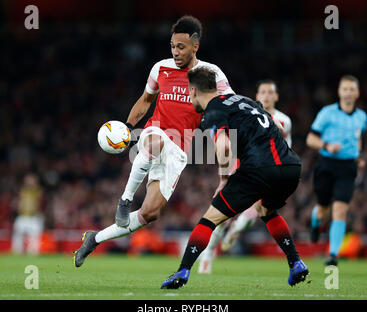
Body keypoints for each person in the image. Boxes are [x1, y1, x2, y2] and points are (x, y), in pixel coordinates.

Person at [73, 16, 234, 267]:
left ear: (195, 47)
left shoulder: (211, 73)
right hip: (155, 132)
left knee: (150, 213)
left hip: (181, 148)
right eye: (172, 46)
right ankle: (125, 200)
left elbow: (231, 103)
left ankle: (95, 239)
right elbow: (146, 100)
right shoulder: (161, 68)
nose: (175, 52)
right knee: (155, 141)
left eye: (181, 47)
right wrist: (128, 127)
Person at [161, 67, 309, 289]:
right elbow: (277, 125)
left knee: (210, 219)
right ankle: (296, 262)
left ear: (193, 91)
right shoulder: (245, 100)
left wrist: (224, 178)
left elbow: (224, 146)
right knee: (265, 210)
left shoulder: (213, 111)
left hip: (259, 169)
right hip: (291, 167)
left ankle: (183, 271)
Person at [198, 79, 293, 274]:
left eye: (270, 92)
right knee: (223, 216)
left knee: (259, 210)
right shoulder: (245, 111)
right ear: (257, 96)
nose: (266, 95)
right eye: (263, 92)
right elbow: (229, 142)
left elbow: (286, 147)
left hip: (269, 168)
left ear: (276, 96)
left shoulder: (284, 121)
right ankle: (208, 254)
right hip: (242, 164)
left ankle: (236, 230)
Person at [306, 75, 366, 266]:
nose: (348, 92)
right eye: (344, 89)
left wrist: (357, 155)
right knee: (323, 209)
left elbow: (358, 137)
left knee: (340, 209)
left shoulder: (361, 117)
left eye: (351, 89)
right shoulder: (327, 113)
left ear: (357, 93)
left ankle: (332, 254)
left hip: (348, 167)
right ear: (339, 92)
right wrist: (327, 145)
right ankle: (316, 224)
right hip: (326, 163)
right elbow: (310, 139)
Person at [12, 173, 44, 254]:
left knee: (34, 237)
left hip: (33, 217)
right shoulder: (21, 190)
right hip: (22, 216)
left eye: (31, 180)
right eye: (28, 180)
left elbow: (40, 199)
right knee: (17, 235)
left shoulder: (38, 190)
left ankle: (33, 253)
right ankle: (16, 252)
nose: (29, 182)